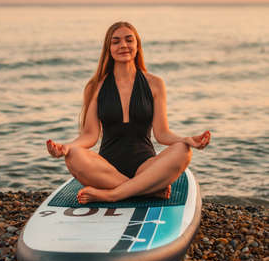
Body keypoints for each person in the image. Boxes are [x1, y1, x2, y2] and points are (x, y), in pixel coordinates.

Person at [47, 21, 211, 204]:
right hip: (106, 170)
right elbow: (90, 135)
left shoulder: (155, 84)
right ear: (108, 49)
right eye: (116, 41)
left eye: (129, 40)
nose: (123, 45)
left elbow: (162, 134)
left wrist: (186, 139)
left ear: (137, 45)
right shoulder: (95, 87)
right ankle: (145, 190)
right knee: (74, 155)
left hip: (146, 168)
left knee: (183, 151)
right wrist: (67, 147)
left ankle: (113, 194)